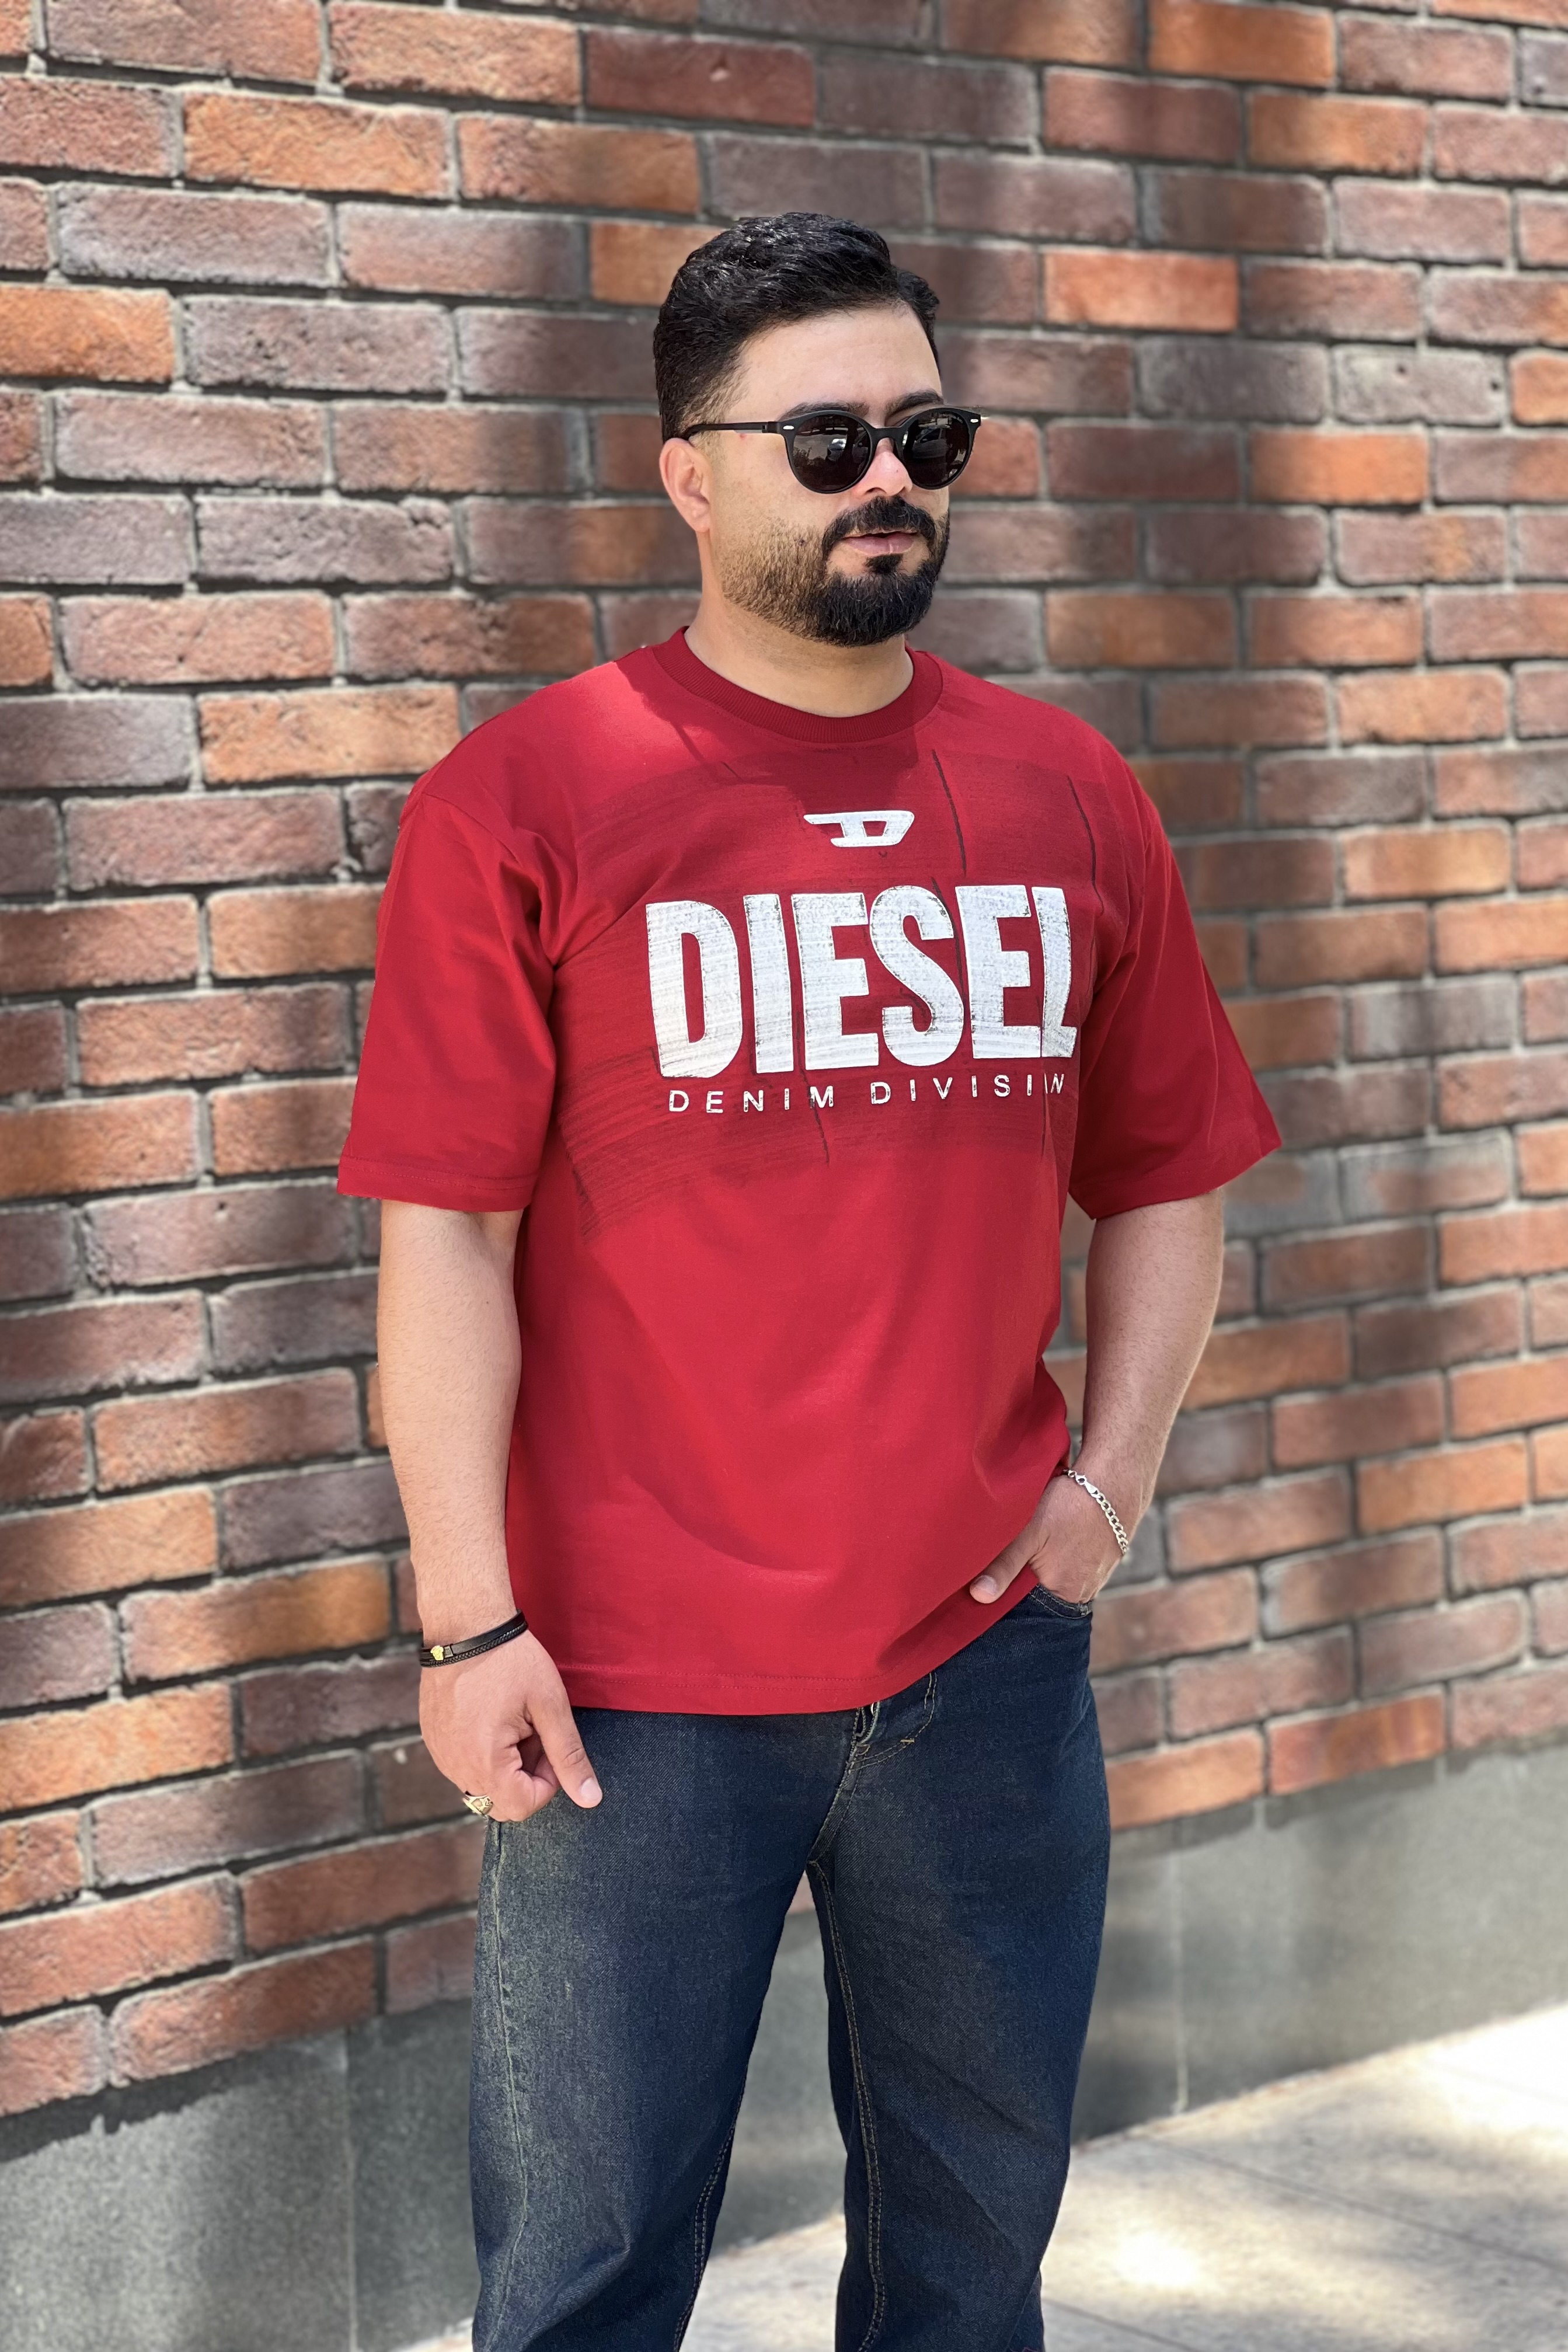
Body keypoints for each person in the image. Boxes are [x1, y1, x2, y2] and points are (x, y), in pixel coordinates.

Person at [339, 212, 1279, 2352]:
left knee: (968, 2273)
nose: (892, 482)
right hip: (628, 1693)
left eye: (929, 437)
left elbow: (1171, 1178)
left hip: (982, 1667)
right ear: (690, 474)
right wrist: (467, 1620)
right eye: (830, 440)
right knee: (584, 2284)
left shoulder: (1064, 793)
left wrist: (1106, 1496)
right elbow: (447, 1237)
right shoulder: (532, 800)